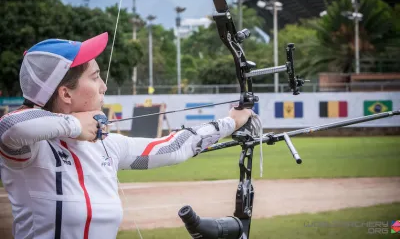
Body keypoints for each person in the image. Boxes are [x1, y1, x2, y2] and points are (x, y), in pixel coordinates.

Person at [0, 32, 253, 239]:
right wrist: (75, 125)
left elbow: (171, 148)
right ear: (66, 94)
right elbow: (9, 127)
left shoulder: (106, 145)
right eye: (95, 77)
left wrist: (230, 121)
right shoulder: (29, 150)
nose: (104, 86)